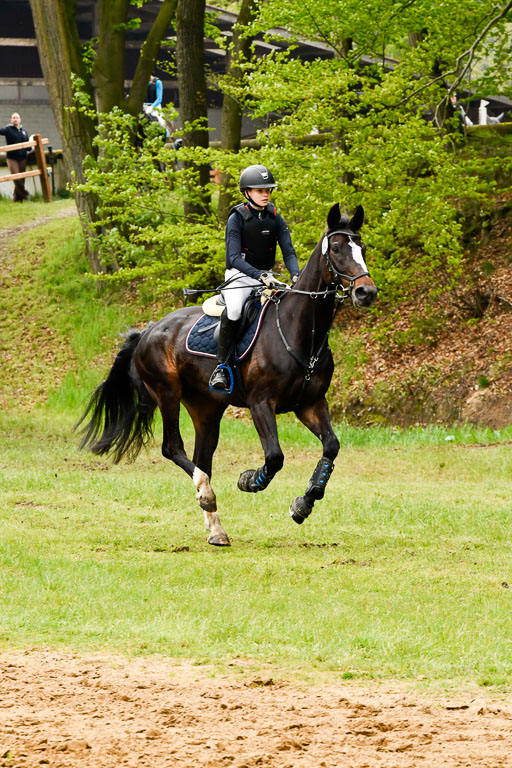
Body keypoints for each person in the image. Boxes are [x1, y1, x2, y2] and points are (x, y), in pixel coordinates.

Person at [209, 164, 300, 392]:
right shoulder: (237, 218)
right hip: (239, 276)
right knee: (235, 310)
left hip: (267, 276)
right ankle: (222, 367)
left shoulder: (275, 217)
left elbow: (288, 252)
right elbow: (234, 258)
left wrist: (295, 274)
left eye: (268, 190)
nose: (265, 194)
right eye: (260, 190)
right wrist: (259, 275)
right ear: (247, 192)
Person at [0, 112, 29, 202]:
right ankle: (25, 195)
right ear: (11, 120)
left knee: (22, 179)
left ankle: (16, 199)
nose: (15, 119)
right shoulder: (8, 129)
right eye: (13, 118)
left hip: (22, 157)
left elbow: (27, 144)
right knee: (17, 177)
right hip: (12, 158)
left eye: (17, 117)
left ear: (20, 119)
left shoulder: (24, 131)